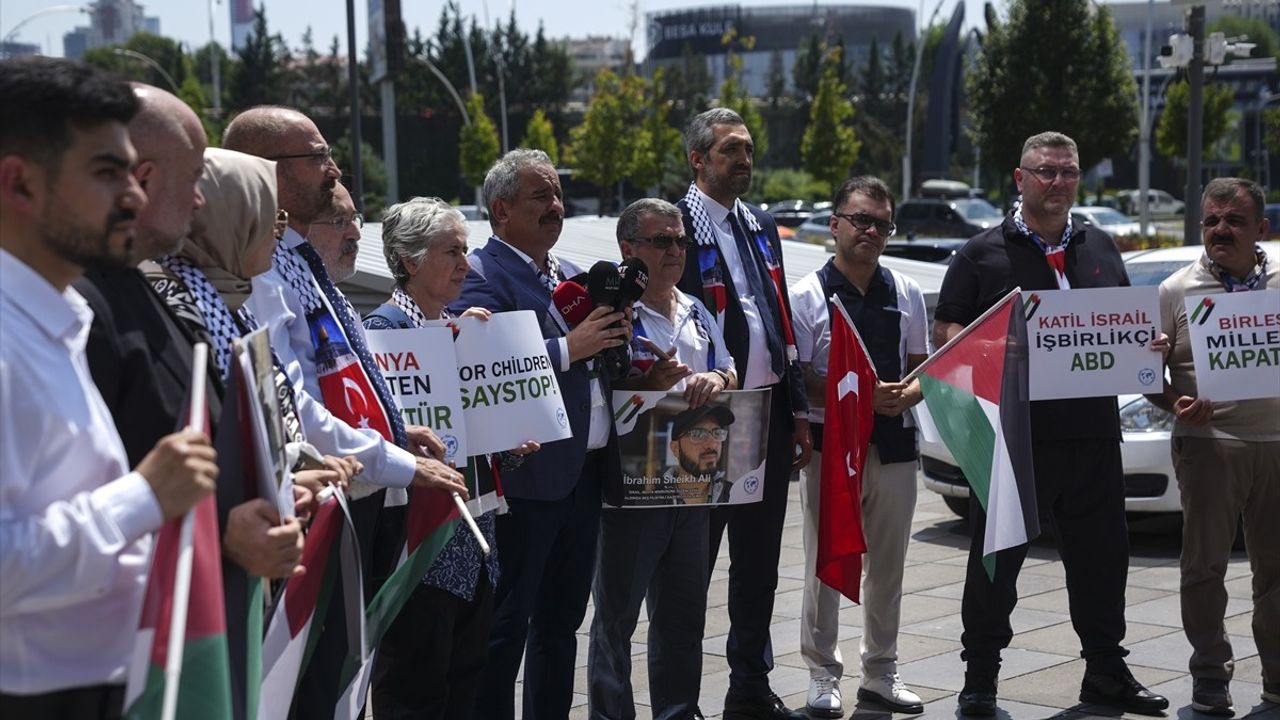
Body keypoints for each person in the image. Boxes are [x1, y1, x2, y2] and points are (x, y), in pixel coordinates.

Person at [0, 56, 218, 718]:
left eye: (132, 170)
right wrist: (145, 496)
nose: (133, 194)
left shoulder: (56, 320)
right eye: (105, 172)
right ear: (19, 184)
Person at [932, 131, 1168, 716]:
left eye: (1067, 172)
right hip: (1015, 442)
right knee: (995, 567)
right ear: (1020, 178)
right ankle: (980, 681)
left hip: (1091, 435)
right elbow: (946, 340)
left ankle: (1106, 675)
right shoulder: (980, 253)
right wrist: (997, 351)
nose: (1057, 182)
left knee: (1102, 564)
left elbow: (1119, 329)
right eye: (1045, 172)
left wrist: (1146, 346)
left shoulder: (1101, 245)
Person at [452, 148, 629, 720]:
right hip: (523, 482)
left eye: (557, 195)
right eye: (540, 197)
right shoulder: (479, 274)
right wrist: (568, 348)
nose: (556, 207)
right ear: (501, 209)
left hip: (582, 475)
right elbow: (478, 358)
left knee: (561, 626)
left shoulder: (571, 274)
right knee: (504, 628)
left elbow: (595, 362)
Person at [361, 196, 539, 719]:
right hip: (419, 547)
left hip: (475, 537)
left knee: (464, 684)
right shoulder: (384, 334)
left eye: (466, 250)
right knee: (416, 689)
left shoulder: (462, 327)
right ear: (410, 260)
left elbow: (469, 435)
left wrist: (509, 440)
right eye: (451, 252)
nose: (466, 264)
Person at [675, 108, 811, 720]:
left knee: (758, 567)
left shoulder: (760, 222)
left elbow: (776, 314)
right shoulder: (674, 227)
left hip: (768, 415)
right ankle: (680, 697)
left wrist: (798, 410)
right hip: (707, 418)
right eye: (732, 150)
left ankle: (750, 687)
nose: (745, 160)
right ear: (698, 159)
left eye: (749, 148)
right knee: (691, 569)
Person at [589, 198, 737, 720]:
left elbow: (730, 370)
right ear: (629, 249)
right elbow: (597, 394)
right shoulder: (609, 314)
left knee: (683, 615)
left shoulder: (695, 308)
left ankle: (677, 711)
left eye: (680, 240)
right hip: (631, 489)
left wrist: (715, 379)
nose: (675, 250)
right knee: (616, 620)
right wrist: (644, 387)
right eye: (661, 241)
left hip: (694, 484)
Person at [788, 176, 927, 717]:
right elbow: (799, 379)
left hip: (893, 446)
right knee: (827, 562)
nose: (870, 230)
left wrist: (905, 395)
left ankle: (882, 671)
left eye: (881, 223)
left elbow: (921, 370)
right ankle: (822, 673)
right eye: (860, 219)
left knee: (888, 567)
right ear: (835, 225)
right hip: (830, 450)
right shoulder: (806, 296)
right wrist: (862, 394)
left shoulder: (906, 291)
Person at [1144, 177, 1279, 715]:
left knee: (1276, 568)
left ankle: (1276, 676)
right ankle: (1210, 677)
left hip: (1277, 444)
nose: (1220, 230)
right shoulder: (1175, 290)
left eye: (1234, 220)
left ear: (1261, 229)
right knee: (1204, 568)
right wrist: (1174, 401)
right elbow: (1148, 376)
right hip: (1208, 445)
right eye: (1211, 221)